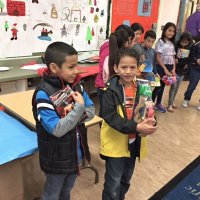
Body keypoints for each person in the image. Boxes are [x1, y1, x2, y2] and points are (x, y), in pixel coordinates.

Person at [32, 42, 95, 200]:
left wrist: (71, 117)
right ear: (54, 68)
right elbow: (57, 129)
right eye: (71, 67)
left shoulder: (76, 86)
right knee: (52, 195)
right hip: (56, 159)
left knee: (66, 192)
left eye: (77, 65)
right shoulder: (43, 94)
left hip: (75, 153)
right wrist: (78, 108)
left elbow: (92, 111)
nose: (76, 71)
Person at [100, 48, 157, 200]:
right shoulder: (109, 90)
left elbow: (149, 108)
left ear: (138, 68)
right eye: (124, 67)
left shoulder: (143, 87)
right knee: (113, 183)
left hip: (133, 143)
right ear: (115, 68)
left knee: (125, 180)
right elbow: (110, 117)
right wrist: (137, 127)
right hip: (116, 145)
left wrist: (151, 120)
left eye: (132, 67)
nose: (128, 71)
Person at [152, 22, 177, 113]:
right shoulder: (160, 41)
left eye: (173, 31)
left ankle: (158, 103)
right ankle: (151, 104)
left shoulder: (171, 43)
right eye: (169, 30)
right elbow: (158, 57)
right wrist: (165, 69)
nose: (171, 33)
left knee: (163, 87)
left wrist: (173, 69)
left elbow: (173, 57)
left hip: (170, 67)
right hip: (161, 67)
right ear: (165, 30)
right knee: (157, 86)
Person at [172, 32, 194, 108]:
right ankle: (170, 102)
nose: (184, 44)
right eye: (182, 42)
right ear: (180, 40)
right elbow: (173, 54)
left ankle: (172, 101)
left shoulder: (191, 46)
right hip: (175, 68)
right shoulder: (176, 44)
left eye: (186, 42)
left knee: (177, 86)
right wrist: (175, 59)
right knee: (173, 86)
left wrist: (187, 64)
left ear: (189, 41)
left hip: (182, 70)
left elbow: (191, 57)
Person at [182, 40, 200, 110]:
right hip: (196, 68)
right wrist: (197, 60)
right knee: (192, 86)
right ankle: (186, 99)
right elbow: (191, 55)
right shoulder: (197, 45)